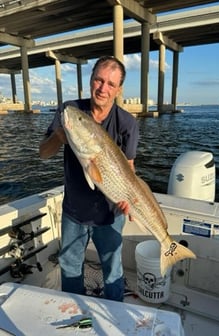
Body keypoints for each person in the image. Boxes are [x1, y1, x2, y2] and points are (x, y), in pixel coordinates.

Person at [39, 56, 139, 302]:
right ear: (91, 79)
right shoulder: (71, 111)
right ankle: (76, 314)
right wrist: (60, 137)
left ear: (118, 90)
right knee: (70, 268)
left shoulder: (127, 123)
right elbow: (43, 153)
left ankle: (115, 317)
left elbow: (129, 169)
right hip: (74, 211)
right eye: (98, 80)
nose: (103, 88)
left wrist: (130, 201)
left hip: (110, 213)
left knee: (113, 272)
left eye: (110, 84)